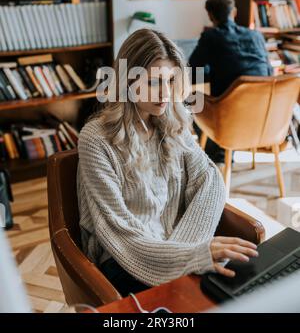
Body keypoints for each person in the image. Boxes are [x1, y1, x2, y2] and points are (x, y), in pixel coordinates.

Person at [77, 29, 258, 297]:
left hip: (176, 246)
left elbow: (210, 180)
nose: (165, 93)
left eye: (171, 80)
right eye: (153, 82)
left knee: (244, 286)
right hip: (123, 259)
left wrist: (183, 252)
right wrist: (188, 256)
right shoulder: (96, 139)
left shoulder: (173, 120)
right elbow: (118, 232)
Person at [189, 0, 273, 162]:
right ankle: (223, 152)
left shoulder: (211, 37)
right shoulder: (256, 35)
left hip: (229, 120)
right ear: (234, 12)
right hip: (263, 118)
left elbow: (193, 70)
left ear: (211, 16)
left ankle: (217, 154)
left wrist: (210, 72)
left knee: (189, 100)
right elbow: (269, 73)